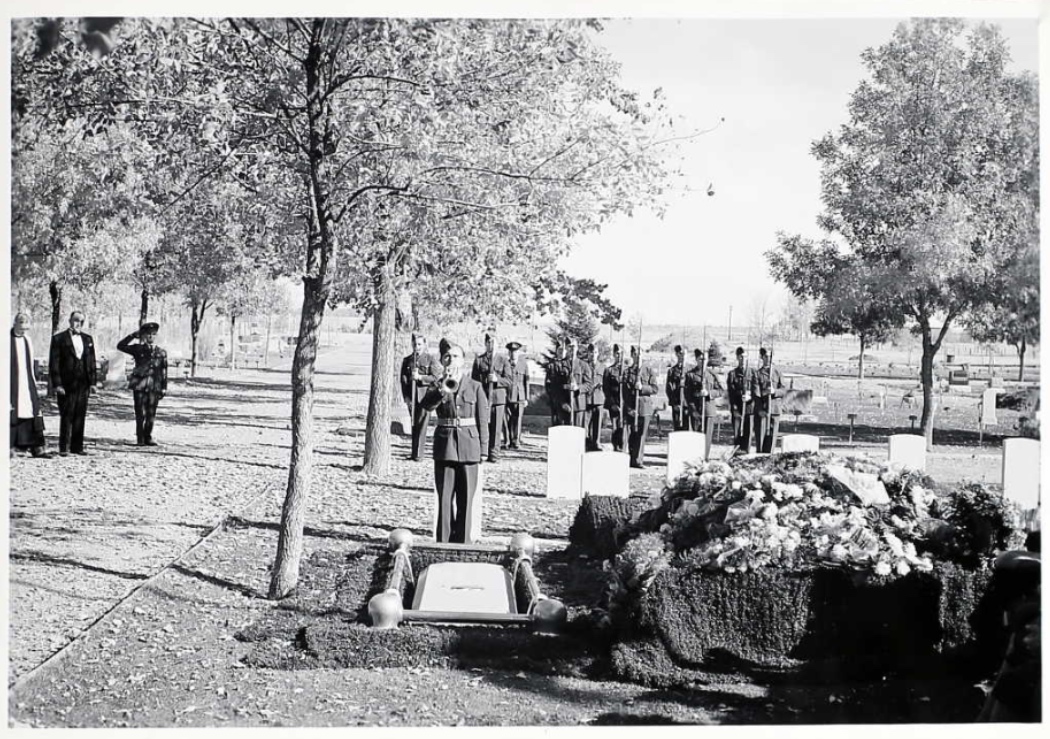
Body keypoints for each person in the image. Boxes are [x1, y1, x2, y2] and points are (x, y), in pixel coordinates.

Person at [420, 341, 489, 544]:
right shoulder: (437, 384)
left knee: (466, 500)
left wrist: (484, 449)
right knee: (444, 499)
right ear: (442, 361)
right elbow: (426, 406)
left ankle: (463, 544)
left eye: (456, 356)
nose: (451, 360)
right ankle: (443, 543)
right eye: (447, 356)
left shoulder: (475, 386)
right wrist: (442, 390)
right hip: (445, 446)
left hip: (470, 447)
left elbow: (483, 420)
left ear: (463, 361)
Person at [48, 311, 98, 456]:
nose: (79, 324)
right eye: (76, 320)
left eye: (82, 321)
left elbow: (91, 361)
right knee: (66, 414)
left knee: (80, 415)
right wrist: (57, 384)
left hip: (83, 383)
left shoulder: (88, 339)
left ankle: (77, 447)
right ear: (70, 320)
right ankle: (64, 447)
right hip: (66, 383)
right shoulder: (59, 339)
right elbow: (54, 363)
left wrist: (93, 382)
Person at [117, 322, 168, 447]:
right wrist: (132, 336)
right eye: (148, 334)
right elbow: (120, 346)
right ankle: (140, 438)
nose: (151, 336)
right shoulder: (138, 348)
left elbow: (164, 371)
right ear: (144, 335)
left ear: (156, 336)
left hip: (154, 386)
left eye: (153, 334)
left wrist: (164, 387)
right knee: (140, 412)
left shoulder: (162, 352)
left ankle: (148, 437)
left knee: (151, 413)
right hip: (139, 385)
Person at [9, 313, 51, 458]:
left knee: (32, 411)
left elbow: (31, 364)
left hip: (27, 382)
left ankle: (36, 447)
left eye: (25, 328)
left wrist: (33, 382)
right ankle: (10, 446)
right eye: (21, 327)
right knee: (12, 411)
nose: (23, 331)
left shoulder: (27, 340)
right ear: (15, 324)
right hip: (12, 382)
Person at [471, 332, 511, 463]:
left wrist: (497, 379)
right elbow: (474, 380)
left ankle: (494, 454)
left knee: (496, 427)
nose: (491, 345)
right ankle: (483, 452)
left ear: (498, 344)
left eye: (494, 342)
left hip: (498, 399)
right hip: (483, 397)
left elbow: (509, 380)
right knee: (482, 425)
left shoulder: (503, 360)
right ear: (485, 344)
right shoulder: (479, 360)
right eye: (489, 342)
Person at [399, 334, 440, 461]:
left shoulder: (430, 359)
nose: (417, 347)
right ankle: (414, 452)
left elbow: (435, 377)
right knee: (414, 424)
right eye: (415, 344)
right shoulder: (407, 360)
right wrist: (406, 397)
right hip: (412, 397)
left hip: (425, 397)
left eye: (419, 344)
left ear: (424, 345)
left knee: (422, 425)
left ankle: (419, 454)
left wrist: (420, 377)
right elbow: (403, 380)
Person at [623, 345, 660, 469]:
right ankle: (631, 458)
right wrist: (629, 408)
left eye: (640, 354)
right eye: (635, 354)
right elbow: (625, 392)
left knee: (641, 434)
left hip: (644, 407)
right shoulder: (627, 371)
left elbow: (655, 389)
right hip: (632, 406)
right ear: (632, 355)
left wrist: (642, 388)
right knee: (632, 433)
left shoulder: (649, 370)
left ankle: (638, 460)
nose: (638, 356)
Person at [685, 348, 724, 459]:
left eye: (705, 359)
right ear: (696, 360)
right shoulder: (690, 375)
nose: (703, 361)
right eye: (701, 359)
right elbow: (688, 395)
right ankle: (697, 459)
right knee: (697, 436)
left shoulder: (712, 374)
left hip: (708, 410)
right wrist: (693, 410)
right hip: (696, 410)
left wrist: (709, 393)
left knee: (707, 437)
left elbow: (721, 391)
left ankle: (705, 458)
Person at [545, 337, 592, 427]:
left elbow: (589, 384)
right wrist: (562, 401)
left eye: (574, 347)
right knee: (564, 432)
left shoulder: (584, 365)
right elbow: (554, 387)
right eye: (570, 347)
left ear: (577, 348)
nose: (572, 349)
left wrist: (578, 387)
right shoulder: (559, 365)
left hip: (578, 405)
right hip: (564, 406)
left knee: (578, 433)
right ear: (566, 348)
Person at [751, 347, 784, 454]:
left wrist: (774, 391)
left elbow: (783, 390)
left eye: (770, 356)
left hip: (774, 410)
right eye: (766, 356)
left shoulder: (777, 372)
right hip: (763, 410)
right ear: (762, 357)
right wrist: (760, 409)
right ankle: (759, 458)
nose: (768, 358)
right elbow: (756, 393)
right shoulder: (757, 374)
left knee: (772, 439)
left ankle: (770, 458)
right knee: (760, 438)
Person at [725, 346, 754, 454]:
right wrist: (739, 397)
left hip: (749, 408)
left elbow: (757, 390)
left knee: (748, 433)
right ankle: (737, 454)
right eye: (741, 357)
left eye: (745, 356)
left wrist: (750, 396)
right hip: (737, 408)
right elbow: (731, 392)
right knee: (737, 434)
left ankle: (746, 454)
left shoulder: (753, 373)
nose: (743, 359)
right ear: (737, 357)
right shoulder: (732, 374)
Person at [602, 344, 628, 453]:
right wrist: (612, 404)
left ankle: (623, 449)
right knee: (615, 428)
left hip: (625, 404)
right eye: (617, 353)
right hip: (614, 404)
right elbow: (606, 389)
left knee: (624, 428)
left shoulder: (627, 370)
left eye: (621, 353)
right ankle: (616, 448)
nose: (619, 355)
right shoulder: (609, 370)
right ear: (614, 354)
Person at [504, 341, 529, 450]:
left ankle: (516, 441)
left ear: (518, 353)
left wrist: (526, 398)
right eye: (511, 352)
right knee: (507, 419)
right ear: (508, 353)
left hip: (520, 395)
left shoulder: (523, 364)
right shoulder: (505, 363)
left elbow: (526, 381)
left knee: (518, 418)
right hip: (507, 395)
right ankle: (508, 441)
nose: (513, 354)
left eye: (515, 352)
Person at [584, 343, 605, 451]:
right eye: (591, 352)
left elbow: (606, 382)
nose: (593, 355)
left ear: (598, 354)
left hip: (598, 399)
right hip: (586, 399)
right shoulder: (583, 365)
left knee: (597, 423)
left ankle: (596, 442)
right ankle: (586, 443)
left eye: (595, 352)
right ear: (588, 353)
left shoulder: (602, 367)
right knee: (585, 423)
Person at [665, 344, 689, 432]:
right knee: (677, 429)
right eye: (681, 353)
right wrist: (674, 404)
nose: (683, 356)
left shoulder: (691, 370)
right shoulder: (672, 371)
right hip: (677, 405)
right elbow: (669, 389)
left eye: (685, 354)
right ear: (677, 354)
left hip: (688, 406)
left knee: (688, 430)